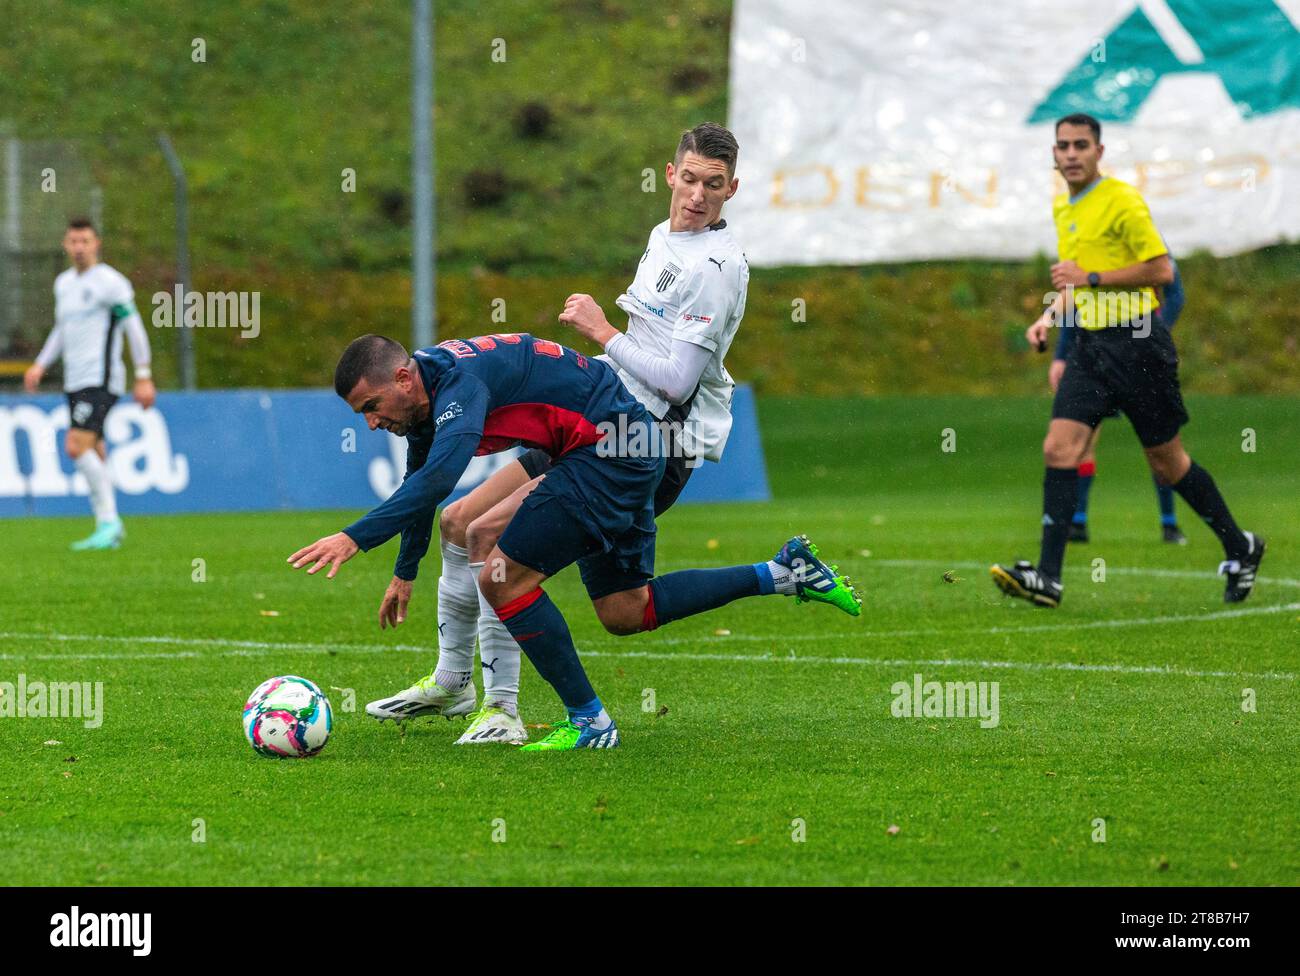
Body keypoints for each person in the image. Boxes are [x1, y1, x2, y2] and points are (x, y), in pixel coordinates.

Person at [364, 122, 752, 745]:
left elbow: (677, 382)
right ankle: (453, 681)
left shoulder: (714, 267)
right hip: (598, 416)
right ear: (669, 175)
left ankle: (508, 708)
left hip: (644, 438)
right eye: (688, 179)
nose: (696, 195)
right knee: (463, 523)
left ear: (733, 189)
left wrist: (602, 332)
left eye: (713, 184)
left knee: (506, 550)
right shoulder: (666, 237)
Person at [290, 334, 859, 751]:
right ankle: (783, 572)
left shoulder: (459, 387)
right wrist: (404, 572)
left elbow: (438, 480)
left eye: (370, 407)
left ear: (403, 379)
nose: (369, 423)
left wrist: (353, 537)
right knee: (625, 611)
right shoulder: (427, 389)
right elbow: (422, 484)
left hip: (612, 452)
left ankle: (581, 719)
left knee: (500, 573)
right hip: (603, 444)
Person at [992, 114, 1263, 608]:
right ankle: (1049, 579)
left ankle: (1240, 546)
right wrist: (1048, 317)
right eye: (1063, 146)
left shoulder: (1122, 200)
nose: (1071, 154)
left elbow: (1161, 269)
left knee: (1167, 464)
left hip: (1139, 346)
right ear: (1053, 154)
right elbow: (1074, 282)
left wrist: (1092, 278)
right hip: (1091, 349)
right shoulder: (1063, 206)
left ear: (1099, 151)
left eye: (1081, 145)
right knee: (1059, 448)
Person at [23, 218, 155, 550]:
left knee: (75, 446)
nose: (79, 247)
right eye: (73, 241)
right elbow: (62, 329)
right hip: (75, 378)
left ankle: (110, 521)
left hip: (101, 379)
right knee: (94, 449)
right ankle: (107, 528)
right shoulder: (64, 284)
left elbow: (133, 328)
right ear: (65, 245)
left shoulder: (111, 283)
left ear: (97, 244)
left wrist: (143, 374)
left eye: (85, 241)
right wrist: (41, 363)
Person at [1049, 255, 1188, 545]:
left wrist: (1152, 330)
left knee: (1160, 449)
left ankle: (1169, 523)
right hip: (1096, 358)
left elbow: (1175, 294)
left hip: (1141, 358)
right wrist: (1062, 356)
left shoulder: (1147, 242)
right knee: (1081, 440)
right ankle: (1077, 522)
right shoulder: (1088, 244)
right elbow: (1074, 303)